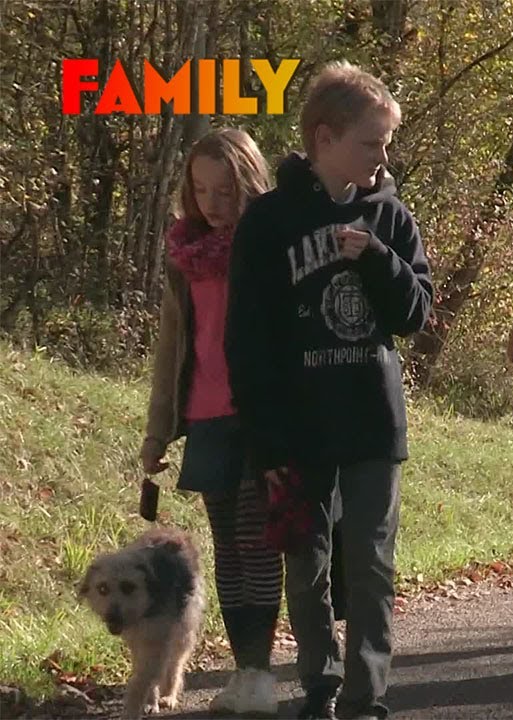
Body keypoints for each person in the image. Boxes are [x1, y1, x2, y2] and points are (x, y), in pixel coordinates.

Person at [226, 61, 434, 720]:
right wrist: (266, 439)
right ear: (324, 137)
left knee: (370, 564)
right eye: (371, 142)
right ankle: (320, 679)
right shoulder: (268, 222)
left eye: (386, 143)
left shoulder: (391, 217)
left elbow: (416, 313)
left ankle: (367, 695)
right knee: (307, 564)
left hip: (374, 420)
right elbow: (247, 340)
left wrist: (375, 257)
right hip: (296, 427)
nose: (382, 155)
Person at [141, 128, 281, 716]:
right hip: (204, 415)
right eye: (201, 191)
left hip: (261, 416)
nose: (214, 203)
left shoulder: (271, 246)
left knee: (257, 541)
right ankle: (245, 671)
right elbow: (172, 348)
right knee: (227, 547)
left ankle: (257, 672)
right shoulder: (185, 256)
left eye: (225, 190)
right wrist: (156, 431)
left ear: (249, 183)